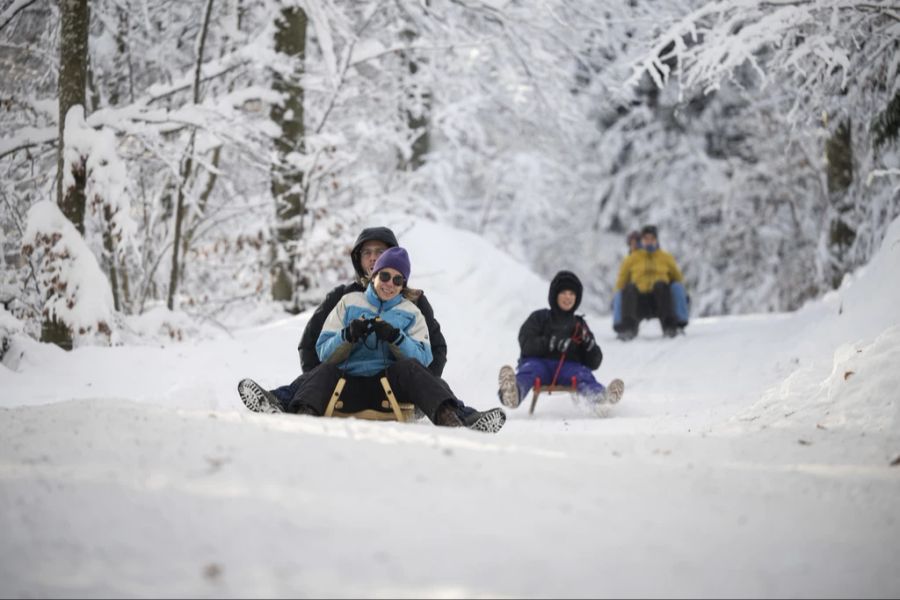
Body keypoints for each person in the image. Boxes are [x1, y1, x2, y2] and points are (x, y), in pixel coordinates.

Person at [238, 227, 506, 432]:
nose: (376, 261)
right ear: (362, 261)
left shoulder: (413, 304)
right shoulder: (344, 298)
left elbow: (432, 350)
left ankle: (463, 419)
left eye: (381, 254)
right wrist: (321, 375)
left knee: (426, 378)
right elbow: (313, 344)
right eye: (368, 253)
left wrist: (420, 386)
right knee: (322, 372)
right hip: (344, 378)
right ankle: (283, 405)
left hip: (395, 380)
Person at [273, 247, 468, 427]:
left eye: (397, 280)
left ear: (403, 285)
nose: (390, 284)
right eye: (385, 276)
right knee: (324, 371)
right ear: (374, 275)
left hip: (388, 387)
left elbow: (423, 360)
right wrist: (347, 335)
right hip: (347, 385)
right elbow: (323, 352)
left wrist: (395, 338)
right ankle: (301, 416)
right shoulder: (348, 302)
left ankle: (452, 419)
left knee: (412, 369)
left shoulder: (412, 312)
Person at [497, 270, 624, 409]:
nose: (567, 297)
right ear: (555, 295)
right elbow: (526, 344)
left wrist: (589, 345)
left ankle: (600, 400)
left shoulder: (579, 325)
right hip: (539, 363)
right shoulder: (539, 318)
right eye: (563, 293)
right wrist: (550, 343)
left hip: (569, 368)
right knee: (529, 371)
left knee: (583, 375)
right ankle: (513, 393)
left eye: (572, 294)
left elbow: (594, 363)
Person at [612, 224, 688, 340]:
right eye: (646, 239)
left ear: (656, 240)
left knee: (661, 285)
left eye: (652, 239)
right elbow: (621, 281)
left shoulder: (665, 257)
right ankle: (628, 328)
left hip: (660, 300)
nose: (649, 242)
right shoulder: (632, 258)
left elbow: (677, 278)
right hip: (639, 301)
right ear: (642, 241)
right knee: (629, 288)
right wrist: (616, 298)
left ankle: (669, 327)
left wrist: (682, 294)